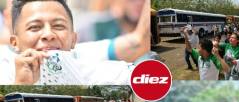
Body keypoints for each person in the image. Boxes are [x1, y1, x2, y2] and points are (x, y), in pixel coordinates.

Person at [0, 0, 150, 85]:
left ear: (73, 39)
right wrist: (21, 84)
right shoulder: (4, 67)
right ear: (15, 41)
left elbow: (137, 44)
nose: (48, 34)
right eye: (35, 27)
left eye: (58, 26)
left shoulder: (82, 58)